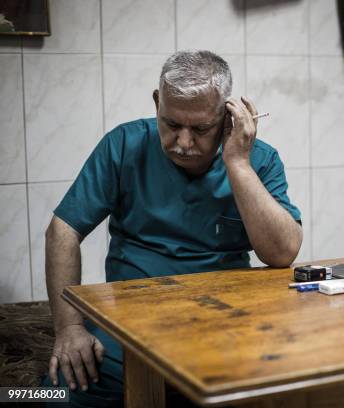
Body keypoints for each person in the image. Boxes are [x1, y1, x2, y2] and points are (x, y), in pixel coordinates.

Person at [42, 50, 303, 406]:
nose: (183, 142)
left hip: (227, 327)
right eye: (171, 124)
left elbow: (282, 253)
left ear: (227, 118)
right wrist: (69, 327)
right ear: (156, 103)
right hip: (130, 327)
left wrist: (237, 163)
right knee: (40, 396)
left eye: (200, 129)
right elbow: (63, 230)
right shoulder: (123, 145)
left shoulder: (259, 159)